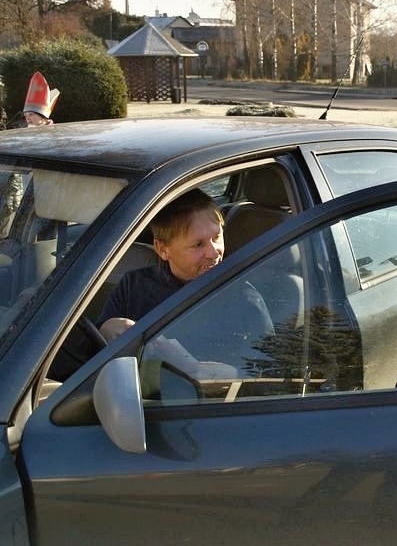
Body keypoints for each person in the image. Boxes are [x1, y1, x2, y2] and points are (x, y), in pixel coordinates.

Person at [95, 188, 273, 374]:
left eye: (217, 237)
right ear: (162, 249)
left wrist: (217, 375)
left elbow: (264, 377)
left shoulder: (245, 300)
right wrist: (106, 328)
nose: (214, 253)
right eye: (198, 244)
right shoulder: (134, 285)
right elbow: (94, 352)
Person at [0, 72, 60, 236]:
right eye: (26, 115)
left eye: (32, 114)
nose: (28, 118)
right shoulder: (22, 134)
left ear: (43, 115)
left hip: (46, 189)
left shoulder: (56, 134)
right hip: (23, 188)